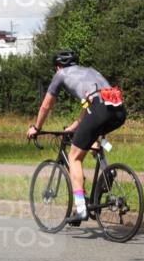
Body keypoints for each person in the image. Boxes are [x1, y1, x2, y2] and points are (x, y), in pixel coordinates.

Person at [26, 50, 127, 224]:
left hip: (99, 109)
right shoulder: (90, 71)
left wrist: (36, 127)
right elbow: (89, 105)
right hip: (118, 110)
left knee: (74, 157)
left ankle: (81, 209)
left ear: (58, 66)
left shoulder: (61, 75)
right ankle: (107, 173)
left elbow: (46, 106)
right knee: (94, 142)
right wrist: (72, 128)